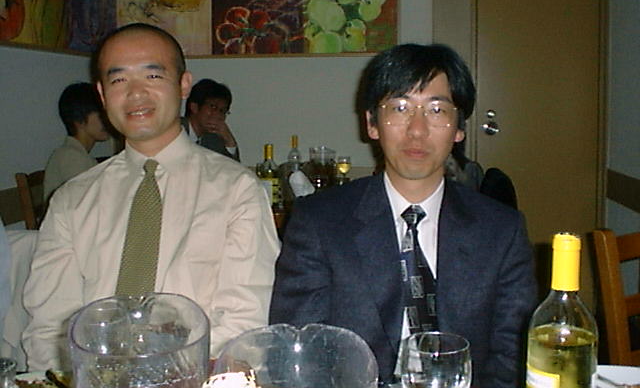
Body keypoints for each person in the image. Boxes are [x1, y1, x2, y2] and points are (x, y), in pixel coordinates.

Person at [269, 43, 537, 388]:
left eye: (437, 110)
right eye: (400, 108)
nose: (417, 130)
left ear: (459, 128)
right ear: (372, 123)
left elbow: (511, 359)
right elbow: (298, 352)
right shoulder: (319, 223)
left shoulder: (501, 230)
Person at [23, 23, 280, 371]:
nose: (135, 93)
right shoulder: (72, 199)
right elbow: (50, 327)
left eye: (153, 76)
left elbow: (243, 322)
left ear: (183, 85)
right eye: (118, 80)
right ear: (102, 94)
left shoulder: (237, 189)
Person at [43, 82, 111, 201]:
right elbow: (90, 203)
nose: (108, 120)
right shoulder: (71, 157)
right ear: (79, 121)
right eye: (101, 115)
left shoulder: (76, 154)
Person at [183, 78, 240, 161]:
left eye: (222, 111)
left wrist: (229, 140)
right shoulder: (174, 130)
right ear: (194, 107)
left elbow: (232, 167)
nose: (218, 115)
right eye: (213, 107)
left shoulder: (214, 141)